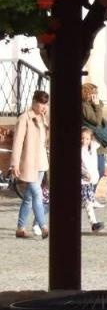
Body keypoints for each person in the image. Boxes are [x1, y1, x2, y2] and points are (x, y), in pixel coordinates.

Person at [12, 89, 49, 240]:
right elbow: (17, 142)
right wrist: (14, 164)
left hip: (41, 162)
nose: (43, 107)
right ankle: (43, 226)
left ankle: (20, 228)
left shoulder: (42, 119)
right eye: (41, 103)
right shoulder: (24, 119)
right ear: (34, 102)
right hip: (28, 163)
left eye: (45, 104)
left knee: (28, 197)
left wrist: (45, 120)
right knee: (37, 194)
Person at [81, 81, 107, 187]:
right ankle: (89, 196)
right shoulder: (85, 106)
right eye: (94, 93)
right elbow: (97, 121)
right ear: (87, 93)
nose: (96, 95)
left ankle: (91, 196)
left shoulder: (91, 105)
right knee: (98, 171)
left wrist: (97, 105)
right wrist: (97, 106)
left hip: (97, 142)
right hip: (92, 141)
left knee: (99, 171)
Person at [78, 127, 104, 233]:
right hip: (83, 180)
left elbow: (103, 139)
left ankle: (94, 223)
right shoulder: (79, 150)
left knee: (88, 201)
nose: (84, 141)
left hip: (91, 180)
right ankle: (94, 223)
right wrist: (84, 173)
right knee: (88, 202)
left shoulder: (93, 147)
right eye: (82, 138)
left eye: (87, 139)